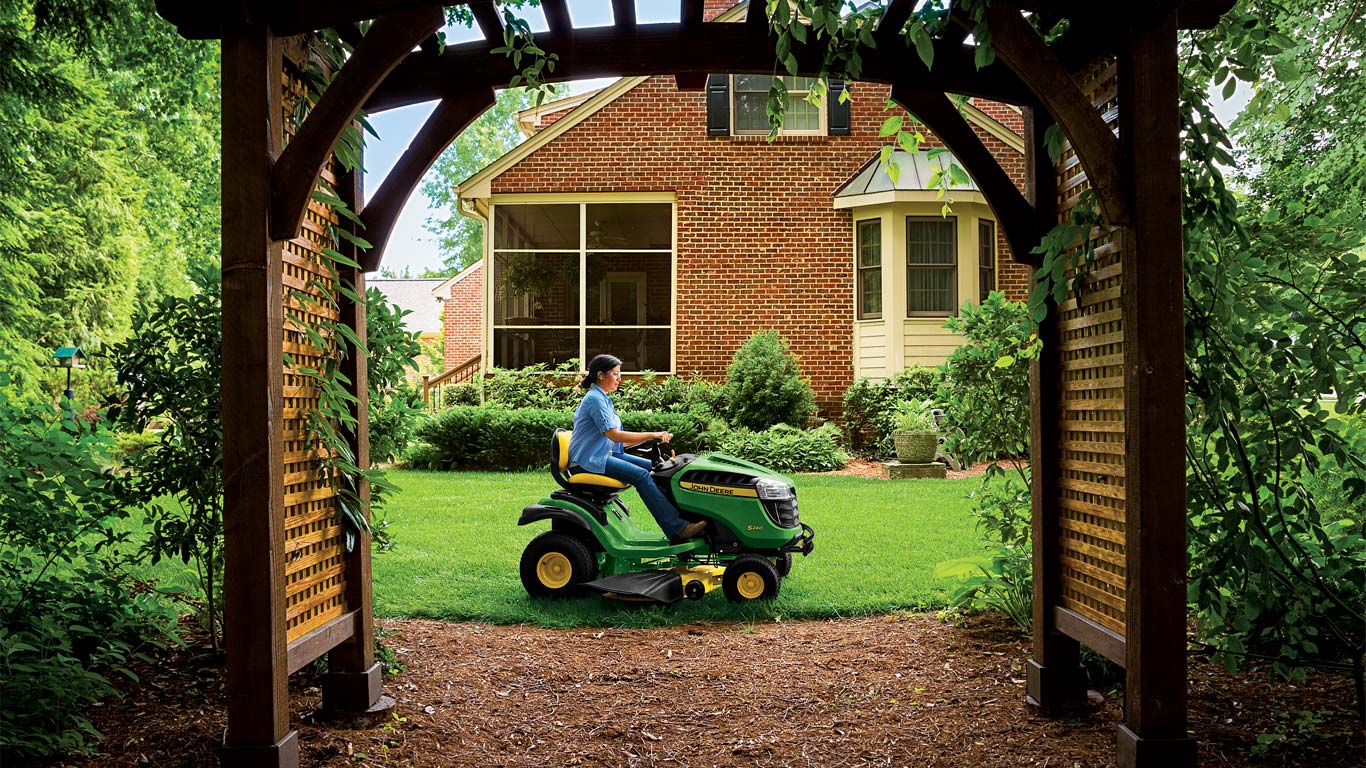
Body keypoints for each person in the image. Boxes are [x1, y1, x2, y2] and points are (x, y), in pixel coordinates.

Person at [567, 354, 708, 544]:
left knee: (660, 468)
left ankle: (687, 520)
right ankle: (677, 529)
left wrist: (652, 442)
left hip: (602, 455)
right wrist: (652, 435)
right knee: (642, 476)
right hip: (588, 460)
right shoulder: (595, 400)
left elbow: (617, 442)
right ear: (600, 375)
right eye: (615, 374)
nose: (620, 379)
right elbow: (614, 435)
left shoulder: (604, 399)